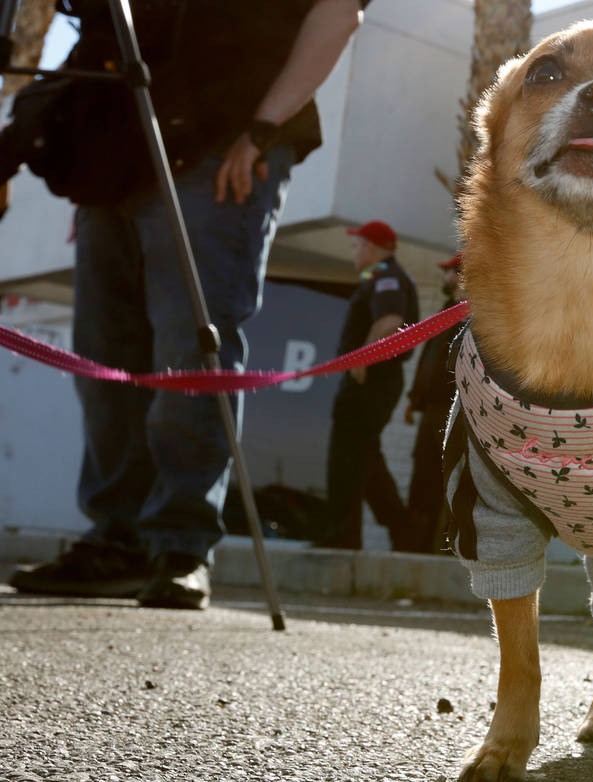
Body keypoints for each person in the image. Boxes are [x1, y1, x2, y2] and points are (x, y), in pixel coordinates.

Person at [8, 0, 368, 610]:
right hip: (121, 158)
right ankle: (116, 542)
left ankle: (181, 544)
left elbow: (337, 12)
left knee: (191, 350)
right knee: (106, 362)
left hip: (222, 144)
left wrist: (263, 128)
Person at [324, 220, 419, 550]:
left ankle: (341, 538)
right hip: (373, 383)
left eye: (356, 246)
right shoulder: (379, 277)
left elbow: (391, 320)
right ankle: (403, 531)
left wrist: (363, 358)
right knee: (363, 460)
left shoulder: (387, 276)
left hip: (370, 382)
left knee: (347, 458)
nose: (353, 252)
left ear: (370, 248)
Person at [402, 253, 464, 553]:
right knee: (423, 475)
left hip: (450, 411)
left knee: (439, 479)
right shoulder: (446, 311)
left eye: (450, 272)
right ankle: (415, 544)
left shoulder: (473, 316)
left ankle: (433, 546)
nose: (446, 278)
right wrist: (414, 399)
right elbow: (429, 361)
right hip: (431, 410)